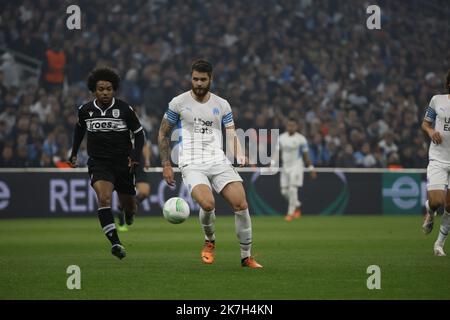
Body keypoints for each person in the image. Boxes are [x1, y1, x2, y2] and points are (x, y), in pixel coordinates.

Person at [158, 59, 262, 268]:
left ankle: (246, 256)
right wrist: (166, 164)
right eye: (195, 79)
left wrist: (239, 154)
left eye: (202, 80)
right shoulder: (178, 102)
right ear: (191, 78)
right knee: (208, 204)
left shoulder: (222, 104)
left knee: (241, 204)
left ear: (210, 79)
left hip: (217, 159)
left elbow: (231, 133)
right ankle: (210, 241)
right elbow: (163, 132)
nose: (198, 83)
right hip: (191, 161)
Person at [68, 67, 146, 260]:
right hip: (99, 163)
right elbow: (79, 131)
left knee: (129, 205)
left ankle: (129, 213)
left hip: (123, 163)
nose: (104, 92)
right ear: (94, 90)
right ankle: (116, 243)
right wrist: (74, 152)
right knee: (104, 199)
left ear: (114, 90)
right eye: (100, 89)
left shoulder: (125, 110)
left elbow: (139, 135)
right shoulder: (85, 110)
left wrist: (135, 157)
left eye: (108, 89)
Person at [421, 69, 450, 257]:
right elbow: (425, 123)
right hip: (439, 158)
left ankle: (439, 244)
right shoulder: (437, 100)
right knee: (437, 201)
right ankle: (430, 210)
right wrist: (431, 133)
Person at [272, 118, 316, 221]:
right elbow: (277, 152)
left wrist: (311, 168)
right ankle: (297, 204)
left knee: (292, 189)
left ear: (296, 126)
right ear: (286, 126)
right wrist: (272, 163)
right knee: (284, 192)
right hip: (285, 167)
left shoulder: (301, 139)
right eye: (289, 125)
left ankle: (290, 213)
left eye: (293, 125)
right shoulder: (281, 138)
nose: (291, 127)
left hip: (296, 166)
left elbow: (306, 156)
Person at [117, 141, 152, 232]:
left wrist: (147, 159)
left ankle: (127, 209)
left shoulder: (141, 129)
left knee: (145, 191)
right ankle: (122, 212)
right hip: (124, 161)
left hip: (138, 162)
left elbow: (145, 145)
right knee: (125, 193)